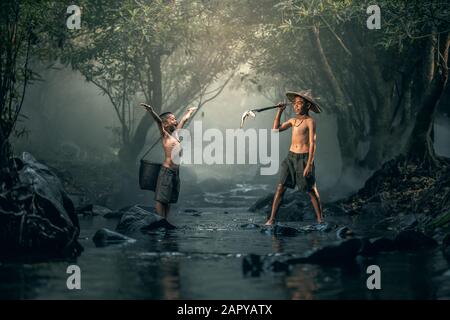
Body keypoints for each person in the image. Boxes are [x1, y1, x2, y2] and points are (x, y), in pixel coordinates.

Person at [265, 90, 324, 226]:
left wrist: (309, 164)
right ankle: (271, 219)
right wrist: (279, 111)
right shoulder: (293, 121)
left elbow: (312, 143)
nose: (296, 106)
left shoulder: (310, 121)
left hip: (304, 158)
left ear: (307, 106)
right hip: (291, 157)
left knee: (311, 189)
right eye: (295, 104)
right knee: (280, 187)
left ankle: (320, 219)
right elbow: (275, 130)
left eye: (300, 103)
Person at [140, 103, 197, 220]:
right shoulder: (165, 136)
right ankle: (160, 219)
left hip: (175, 173)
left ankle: (165, 220)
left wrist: (189, 111)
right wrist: (151, 111)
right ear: (165, 123)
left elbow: (184, 120)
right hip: (167, 171)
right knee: (161, 198)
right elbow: (158, 122)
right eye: (172, 119)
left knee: (169, 198)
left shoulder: (176, 135)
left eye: (175, 118)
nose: (175, 120)